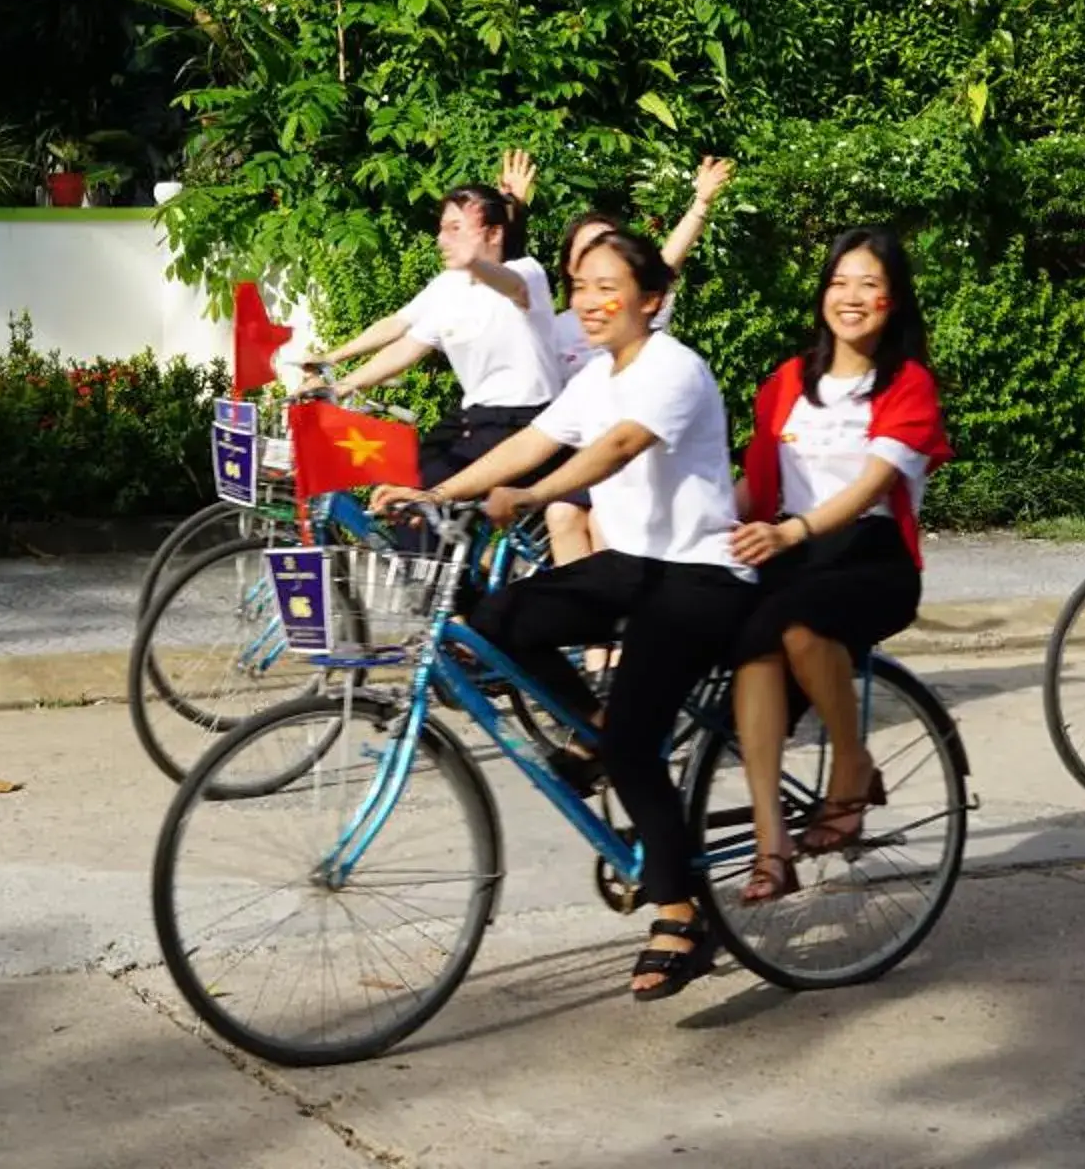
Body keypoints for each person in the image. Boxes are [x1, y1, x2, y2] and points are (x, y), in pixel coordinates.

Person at [379, 229, 754, 1003]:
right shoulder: (597, 377)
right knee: (496, 621)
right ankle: (589, 730)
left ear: (650, 299)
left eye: (606, 286)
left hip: (698, 576)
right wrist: (436, 495)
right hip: (632, 568)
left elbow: (615, 449)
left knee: (636, 746)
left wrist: (539, 495)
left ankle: (680, 915)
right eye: (580, 285)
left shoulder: (672, 369)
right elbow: (532, 441)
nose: (587, 300)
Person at [726, 227, 948, 901]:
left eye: (869, 285)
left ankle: (850, 765)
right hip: (794, 554)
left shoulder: (909, 385)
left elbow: (869, 490)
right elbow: (754, 485)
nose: (851, 297)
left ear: (894, 301)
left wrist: (790, 532)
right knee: (749, 647)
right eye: (839, 282)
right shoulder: (788, 381)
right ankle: (772, 848)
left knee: (794, 623)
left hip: (871, 559)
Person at [510, 152, 734, 567]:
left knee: (603, 524)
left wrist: (700, 205)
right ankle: (590, 626)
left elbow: (668, 262)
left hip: (642, 455)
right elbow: (513, 290)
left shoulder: (644, 317)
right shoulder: (557, 327)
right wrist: (514, 213)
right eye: (586, 257)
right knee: (563, 514)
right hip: (579, 456)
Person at [298, 174, 558, 483]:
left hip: (525, 417)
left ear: (494, 234)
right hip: (478, 414)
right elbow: (405, 339)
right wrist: (337, 379)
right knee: (409, 484)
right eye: (443, 229)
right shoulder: (449, 285)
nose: (442, 240)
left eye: (456, 229)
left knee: (427, 496)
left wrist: (475, 261)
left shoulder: (526, 272)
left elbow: (514, 286)